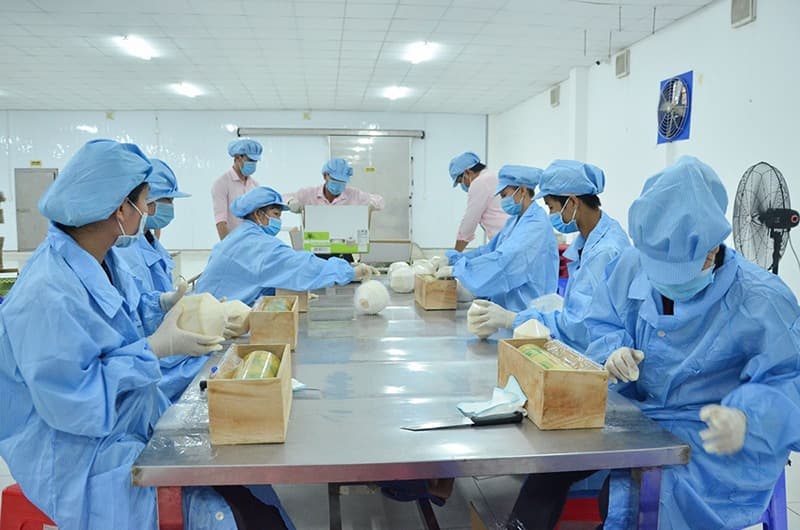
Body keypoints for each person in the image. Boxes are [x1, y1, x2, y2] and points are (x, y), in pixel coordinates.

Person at [510, 156, 800, 530]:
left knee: (640, 498)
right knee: (555, 459)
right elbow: (602, 321)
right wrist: (612, 350)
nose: (666, 284)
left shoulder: (763, 301)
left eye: (678, 272)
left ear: (712, 249)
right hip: (639, 415)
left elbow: (790, 382)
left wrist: (749, 418)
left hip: (713, 438)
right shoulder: (632, 263)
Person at [0, 139, 276, 529]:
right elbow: (75, 406)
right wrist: (155, 349)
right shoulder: (46, 294)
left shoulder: (102, 257)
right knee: (215, 515)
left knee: (249, 490)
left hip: (129, 418)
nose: (148, 212)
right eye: (145, 201)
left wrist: (166, 307)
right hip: (80, 457)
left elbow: (121, 318)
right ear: (119, 209)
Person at [467, 160, 630, 350]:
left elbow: (580, 325)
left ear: (572, 202)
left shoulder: (604, 252)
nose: (551, 214)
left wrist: (513, 319)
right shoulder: (594, 238)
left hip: (601, 353)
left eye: (551, 207)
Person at [115, 158, 213, 403]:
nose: (171, 208)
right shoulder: (125, 251)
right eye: (168, 200)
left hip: (151, 356)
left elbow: (144, 306)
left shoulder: (147, 241)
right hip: (150, 364)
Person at [196, 186, 374, 305]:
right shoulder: (258, 245)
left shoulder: (240, 236)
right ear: (258, 214)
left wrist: (288, 292)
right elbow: (300, 264)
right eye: (276, 214)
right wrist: (350, 271)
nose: (279, 221)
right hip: (213, 320)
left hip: (207, 307)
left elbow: (254, 279)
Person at [437, 165, 558, 312]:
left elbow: (505, 260)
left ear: (522, 190)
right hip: (507, 305)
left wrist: (460, 269)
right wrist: (454, 259)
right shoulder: (514, 221)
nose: (502, 200)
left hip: (527, 308)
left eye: (504, 195)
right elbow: (489, 251)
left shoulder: (536, 225)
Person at [448, 151, 508, 252]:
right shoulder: (491, 177)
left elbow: (469, 222)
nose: (463, 185)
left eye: (461, 181)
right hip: (507, 235)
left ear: (467, 172)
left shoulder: (479, 183)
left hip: (504, 237)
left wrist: (456, 252)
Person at [284, 158, 384, 213]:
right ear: (325, 176)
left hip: (346, 241)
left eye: (342, 182)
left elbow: (380, 200)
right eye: (335, 180)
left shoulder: (354, 194)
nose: (338, 185)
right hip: (316, 240)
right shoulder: (309, 194)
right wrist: (290, 201)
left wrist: (372, 204)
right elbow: (281, 198)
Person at [212, 139, 262, 240]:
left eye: (255, 161)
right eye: (250, 160)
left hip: (252, 242)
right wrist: (228, 246)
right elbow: (221, 221)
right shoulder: (222, 184)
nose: (253, 164)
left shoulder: (255, 186)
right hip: (233, 242)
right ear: (238, 157)